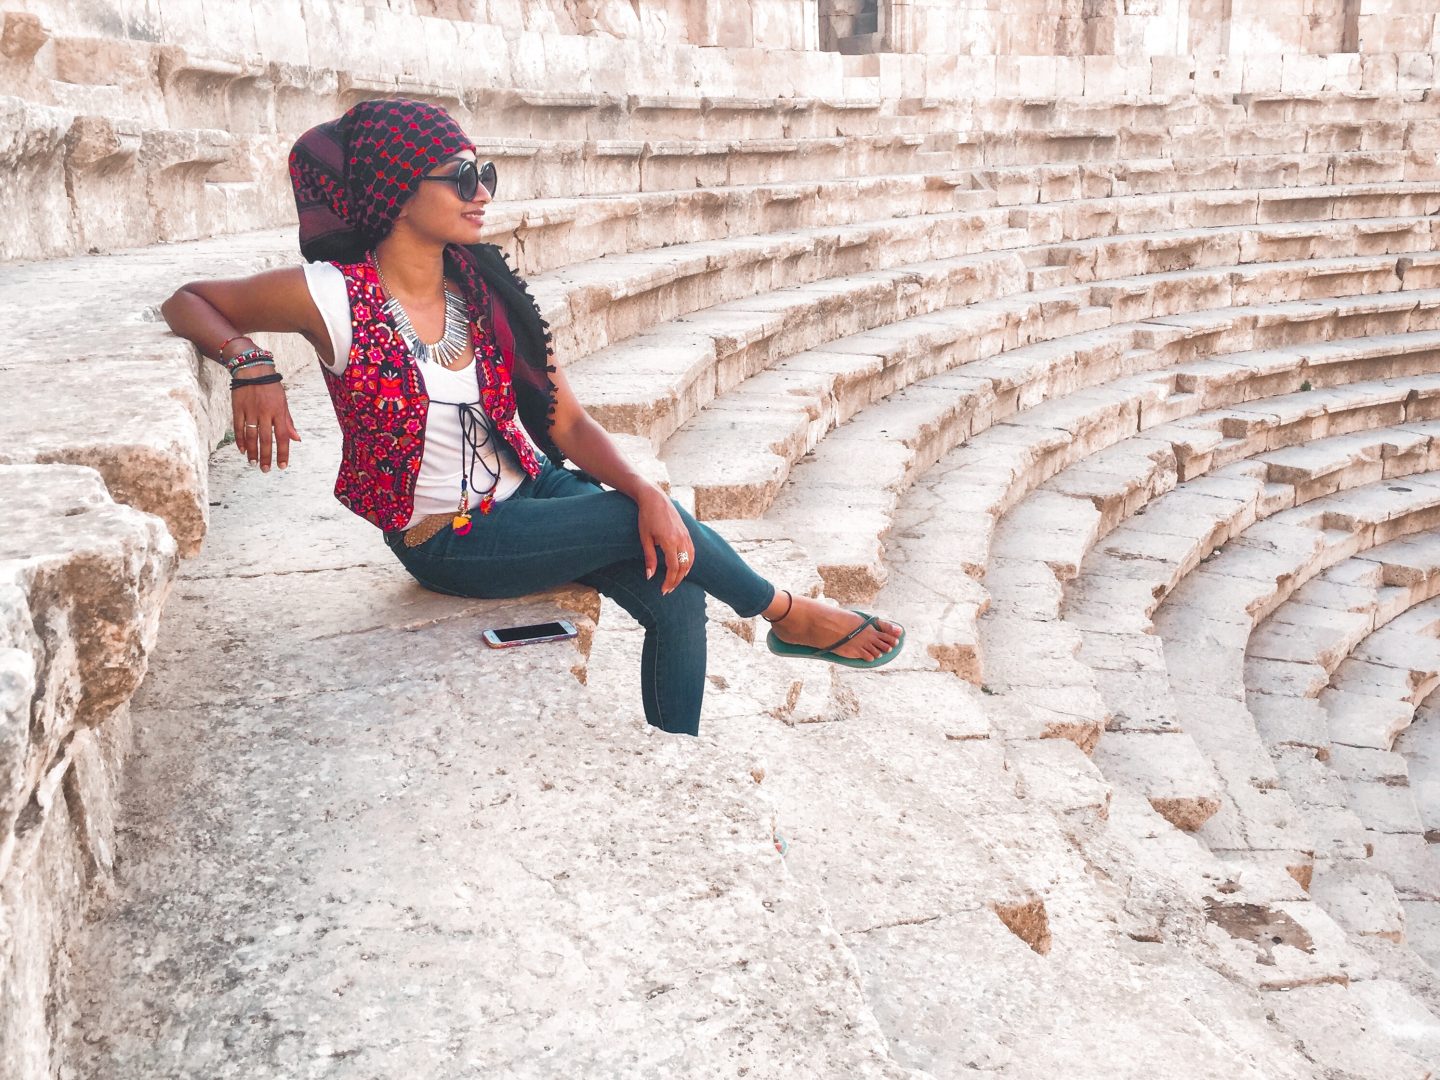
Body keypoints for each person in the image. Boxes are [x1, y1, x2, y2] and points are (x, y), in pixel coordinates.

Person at [160, 99, 904, 736]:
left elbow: (568, 422)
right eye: (460, 178)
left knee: (674, 579)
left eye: (485, 175)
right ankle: (788, 614)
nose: (480, 192)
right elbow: (189, 299)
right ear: (396, 190)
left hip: (534, 488)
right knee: (644, 526)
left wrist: (644, 492)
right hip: (448, 536)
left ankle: (675, 761)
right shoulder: (332, 295)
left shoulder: (480, 287)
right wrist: (249, 364)